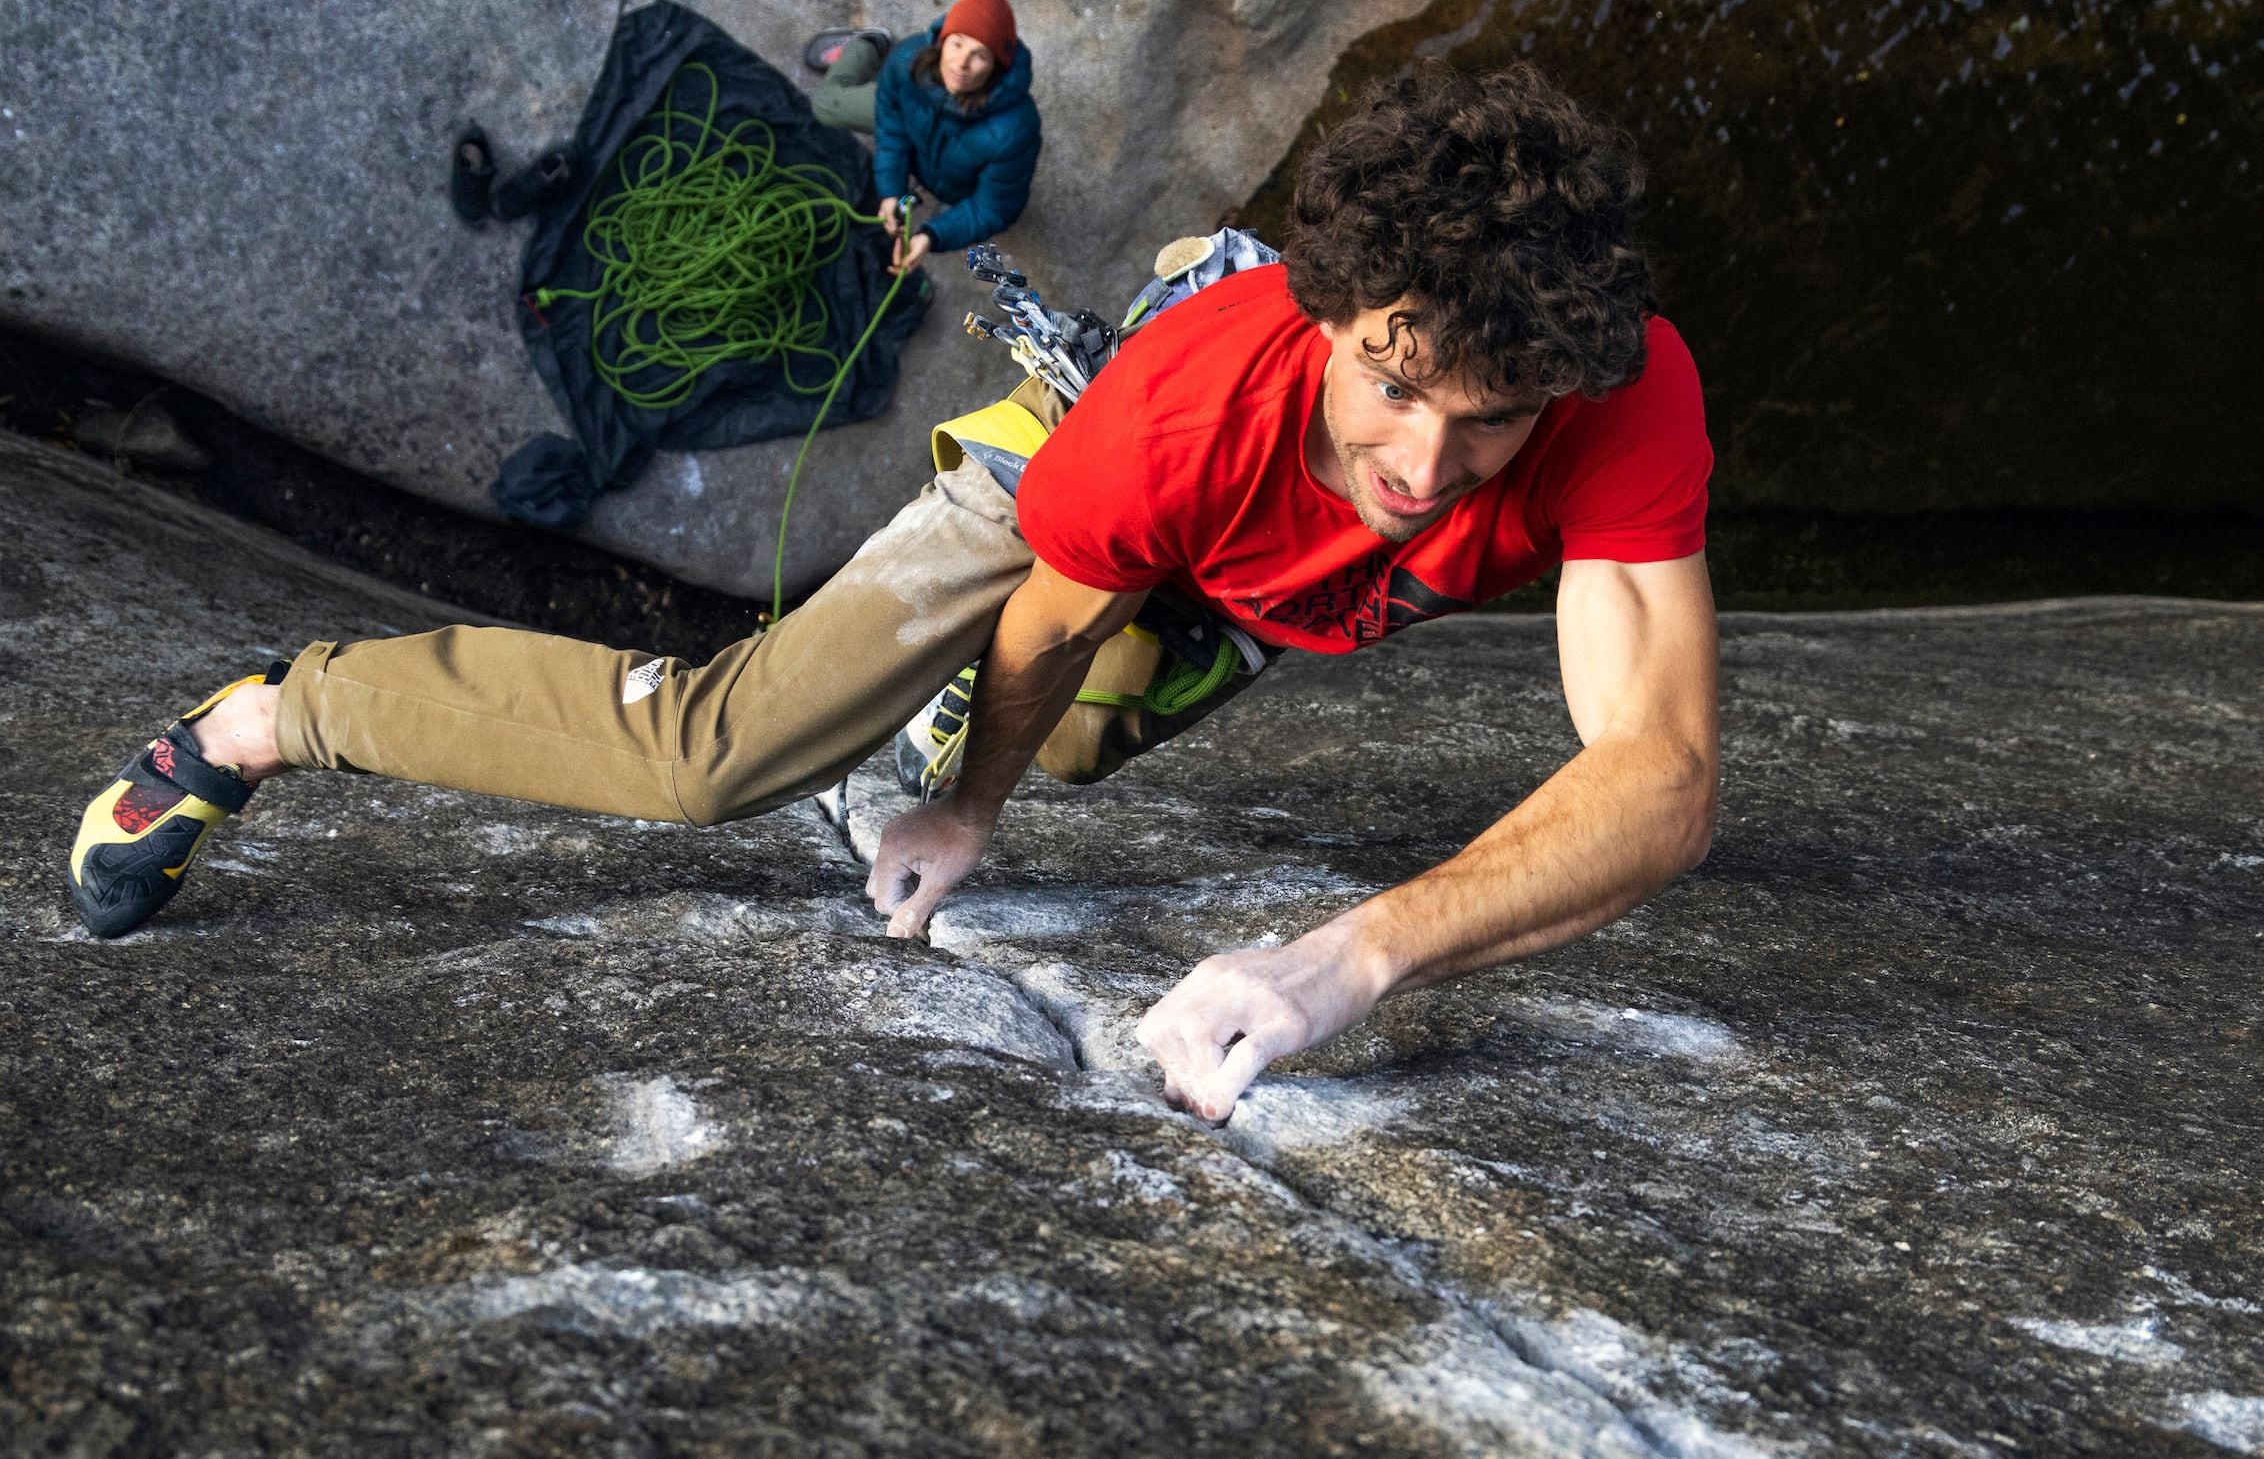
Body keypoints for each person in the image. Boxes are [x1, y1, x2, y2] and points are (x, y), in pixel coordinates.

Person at [67, 62, 1718, 1125]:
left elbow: (1656, 778)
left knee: (1082, 740)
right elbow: (1049, 619)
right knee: (717, 754)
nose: (1423, 462)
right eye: (1388, 383)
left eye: (1485, 417)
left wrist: (1342, 958)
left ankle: (958, 733)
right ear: (1329, 313)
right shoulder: (1187, 411)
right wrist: (961, 809)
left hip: (1231, 586)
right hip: (1062, 491)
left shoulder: (1618, 390)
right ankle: (277, 712)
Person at [805, 0, 1042, 275]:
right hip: (914, 121)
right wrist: (891, 188)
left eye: (980, 55)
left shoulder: (1014, 131)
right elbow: (891, 128)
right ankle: (867, 44)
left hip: (952, 165)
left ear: (995, 68)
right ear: (942, 41)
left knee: (963, 208)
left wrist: (931, 235)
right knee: (825, 105)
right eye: (957, 44)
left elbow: (995, 207)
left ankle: (948, 202)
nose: (961, 64)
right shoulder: (908, 60)